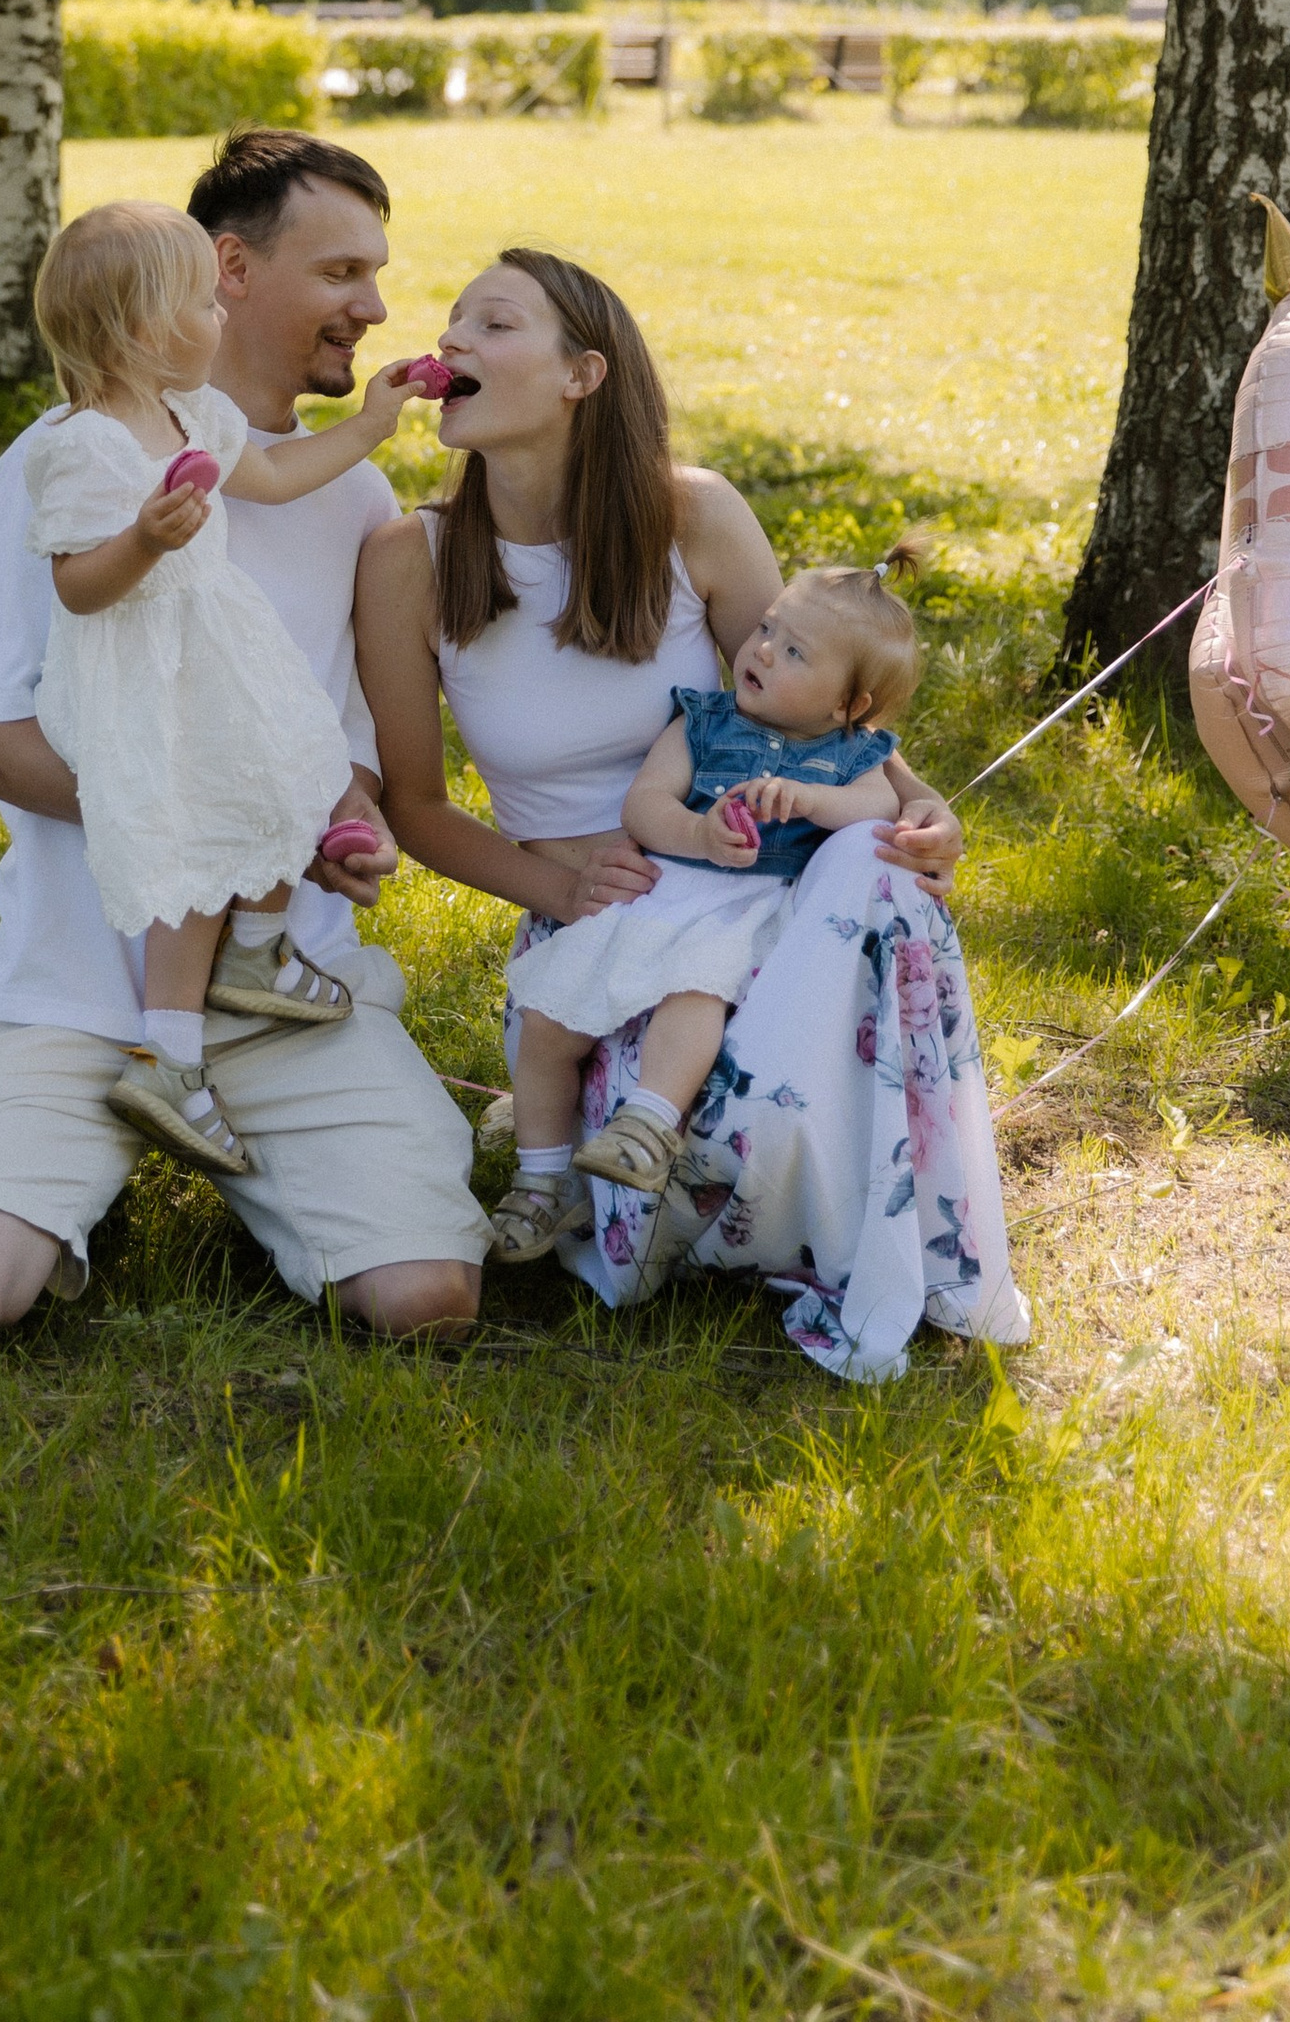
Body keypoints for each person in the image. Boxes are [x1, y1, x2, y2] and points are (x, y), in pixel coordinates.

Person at [359, 247, 1027, 1382]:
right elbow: (416, 807)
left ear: (582, 375)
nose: (453, 341)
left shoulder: (693, 517)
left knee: (872, 858)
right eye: (452, 322)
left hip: (760, 910)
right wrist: (561, 890)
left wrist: (922, 812)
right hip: (597, 934)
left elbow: (816, 703)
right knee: (694, 1149)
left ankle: (909, 1203)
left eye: (493, 323)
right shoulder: (409, 561)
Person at [0, 132, 487, 1354]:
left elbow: (344, 757)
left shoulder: (351, 500)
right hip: (74, 996)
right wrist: (220, 812)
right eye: (341, 273)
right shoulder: (61, 470)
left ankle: (247, 1127)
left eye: (376, 275)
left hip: (282, 995)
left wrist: (337, 831)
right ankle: (87, 1156)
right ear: (226, 272)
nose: (371, 306)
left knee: (424, 1301)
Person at [24, 196, 437, 1175]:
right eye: (204, 306)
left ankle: (253, 956)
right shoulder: (85, 445)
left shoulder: (194, 414)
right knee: (201, 832)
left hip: (216, 648)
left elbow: (282, 477)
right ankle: (172, 1058)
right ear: (139, 328)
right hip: (144, 671)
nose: (222, 320)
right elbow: (78, 589)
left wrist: (376, 423)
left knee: (294, 771)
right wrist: (141, 540)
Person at [497, 552, 943, 1234]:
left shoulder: (857, 753)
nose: (761, 650)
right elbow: (646, 804)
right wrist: (697, 835)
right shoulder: (703, 721)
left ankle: (647, 1125)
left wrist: (812, 798)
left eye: (794, 652)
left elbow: (876, 811)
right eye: (767, 629)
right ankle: (539, 1179)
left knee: (695, 995)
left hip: (749, 912)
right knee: (549, 1018)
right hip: (665, 891)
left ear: (848, 705)